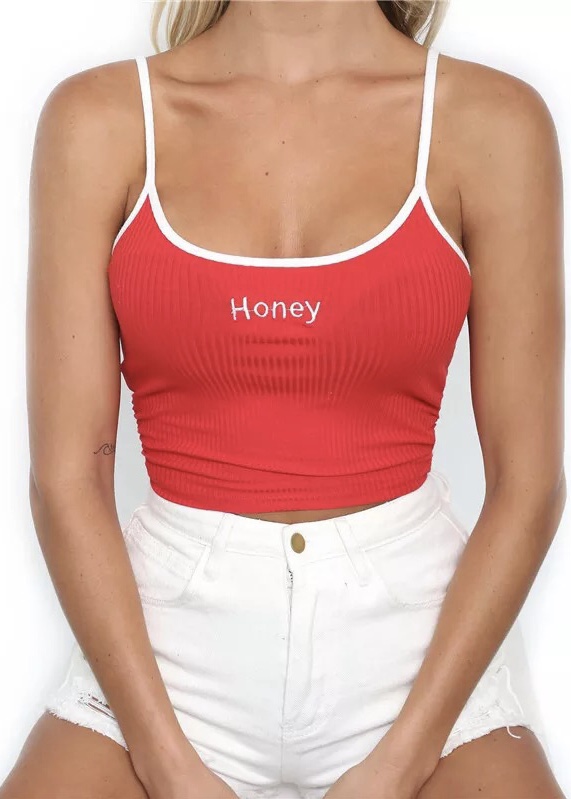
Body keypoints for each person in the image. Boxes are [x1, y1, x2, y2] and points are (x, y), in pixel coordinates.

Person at [0, 0, 566, 797]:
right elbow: (66, 479)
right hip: (163, 649)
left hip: (416, 648)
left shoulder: (492, 122)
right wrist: (165, 764)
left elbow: (528, 484)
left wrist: (400, 763)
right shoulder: (100, 120)